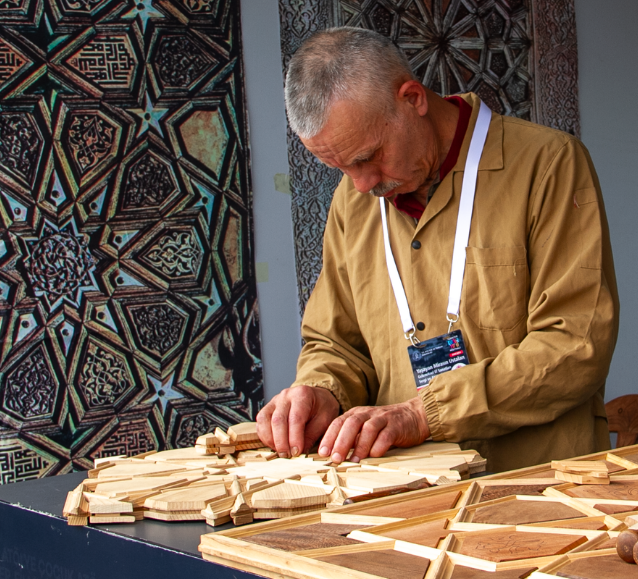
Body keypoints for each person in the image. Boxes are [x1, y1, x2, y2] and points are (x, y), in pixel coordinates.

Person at [257, 27, 619, 472]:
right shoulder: (352, 202)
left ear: (413, 99)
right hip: (402, 491)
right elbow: (336, 342)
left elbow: (575, 345)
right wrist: (321, 390)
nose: (362, 185)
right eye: (341, 168)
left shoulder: (548, 165)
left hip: (538, 487)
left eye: (368, 157)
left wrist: (424, 413)